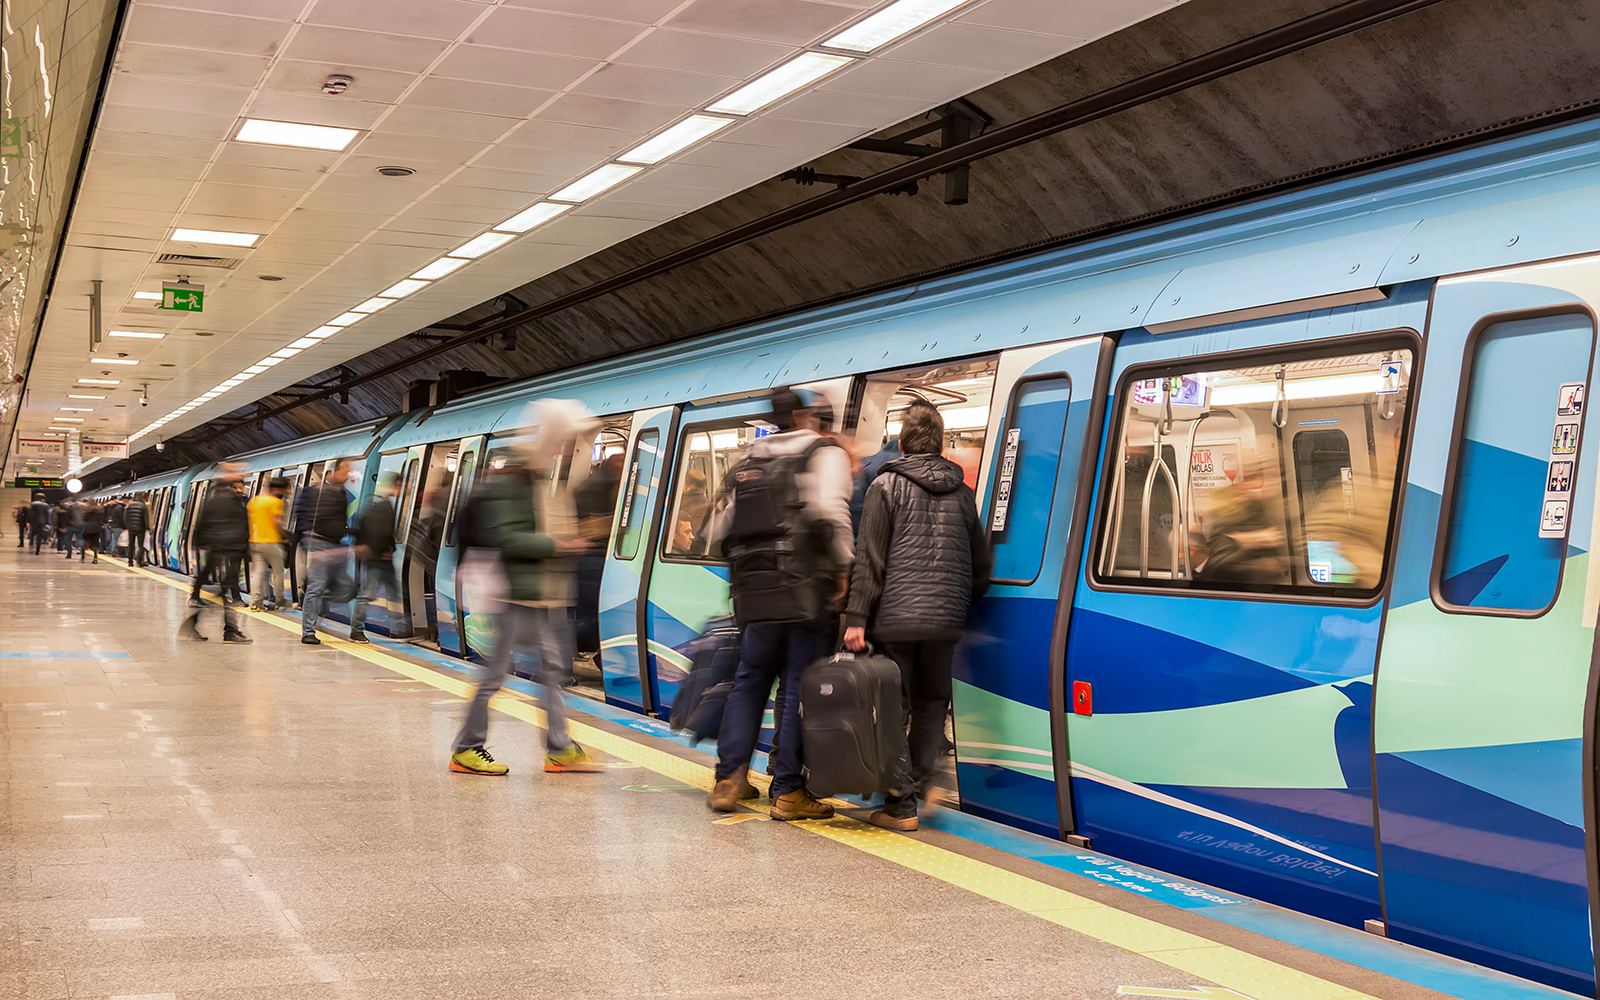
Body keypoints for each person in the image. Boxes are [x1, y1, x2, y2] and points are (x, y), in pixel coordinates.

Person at [706, 387, 853, 820]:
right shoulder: (823, 453)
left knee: (749, 679)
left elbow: (720, 530)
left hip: (754, 591)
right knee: (796, 686)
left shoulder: (749, 462)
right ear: (807, 415)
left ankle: (729, 778)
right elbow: (833, 512)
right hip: (805, 588)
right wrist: (845, 572)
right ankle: (789, 791)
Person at [843, 402, 990, 831]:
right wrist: (958, 604)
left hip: (895, 620)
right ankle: (925, 784)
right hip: (945, 621)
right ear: (941, 445)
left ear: (901, 444)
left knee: (894, 709)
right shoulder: (963, 494)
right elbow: (980, 566)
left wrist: (856, 618)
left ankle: (901, 805)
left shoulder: (884, 487)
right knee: (931, 705)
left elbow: (870, 560)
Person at [451, 399, 604, 777]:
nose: (568, 449)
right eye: (566, 440)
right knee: (495, 676)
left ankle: (559, 748)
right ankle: (466, 748)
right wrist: (560, 544)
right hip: (516, 596)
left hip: (545, 594)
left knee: (552, 672)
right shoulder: (513, 481)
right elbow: (507, 538)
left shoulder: (541, 477)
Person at [180, 469, 251, 644]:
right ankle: (228, 630)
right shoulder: (226, 502)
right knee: (224, 591)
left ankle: (204, 625)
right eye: (235, 486)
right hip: (227, 549)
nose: (239, 489)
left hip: (226, 549)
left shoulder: (227, 501)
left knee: (224, 591)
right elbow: (216, 525)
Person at [298, 459, 357, 645]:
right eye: (345, 471)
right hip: (316, 542)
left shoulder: (343, 493)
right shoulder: (314, 491)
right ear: (334, 471)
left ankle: (313, 596)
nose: (348, 475)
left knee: (349, 587)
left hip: (335, 544)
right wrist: (305, 545)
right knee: (316, 585)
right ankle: (308, 632)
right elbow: (300, 517)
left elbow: (340, 519)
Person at [572, 450, 622, 657]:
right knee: (592, 616)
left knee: (592, 615)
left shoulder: (592, 485)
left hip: (592, 559)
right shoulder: (598, 489)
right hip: (592, 559)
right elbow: (586, 528)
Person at [349, 472, 401, 643]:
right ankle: (356, 630)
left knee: (394, 591)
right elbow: (383, 533)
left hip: (379, 558)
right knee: (368, 594)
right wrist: (386, 549)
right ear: (396, 486)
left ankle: (402, 627)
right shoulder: (384, 507)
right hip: (379, 559)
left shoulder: (374, 505)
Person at [248, 478, 289, 611]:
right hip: (271, 541)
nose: (286, 492)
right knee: (278, 572)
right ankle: (280, 601)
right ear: (277, 489)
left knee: (258, 571)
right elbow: (277, 522)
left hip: (255, 541)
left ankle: (256, 602)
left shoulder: (255, 501)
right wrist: (286, 535)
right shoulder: (276, 502)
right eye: (284, 489)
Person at [123, 493, 150, 566]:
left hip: (131, 528)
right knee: (140, 545)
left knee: (131, 544)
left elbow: (125, 517)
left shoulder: (129, 505)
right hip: (140, 528)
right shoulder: (143, 506)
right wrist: (147, 527)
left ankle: (130, 561)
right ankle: (139, 560)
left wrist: (127, 525)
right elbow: (146, 518)